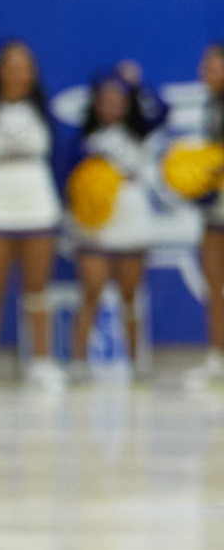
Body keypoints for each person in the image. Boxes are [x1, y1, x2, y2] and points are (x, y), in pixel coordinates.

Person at [0, 40, 64, 392]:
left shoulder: (42, 110)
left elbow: (57, 158)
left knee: (38, 288)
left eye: (25, 64)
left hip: (36, 196)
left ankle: (42, 361)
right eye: (11, 64)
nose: (19, 72)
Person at [62, 64, 165, 380]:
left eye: (118, 99)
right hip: (97, 217)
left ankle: (137, 361)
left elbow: (163, 110)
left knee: (131, 292)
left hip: (130, 213)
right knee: (91, 289)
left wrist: (137, 84)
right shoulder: (84, 139)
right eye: (104, 100)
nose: (111, 106)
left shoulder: (138, 132)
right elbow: (68, 179)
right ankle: (78, 361)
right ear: (95, 104)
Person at [195, 43, 224, 384]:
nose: (210, 72)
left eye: (217, 66)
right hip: (214, 208)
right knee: (213, 281)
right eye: (207, 66)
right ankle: (217, 354)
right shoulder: (210, 106)